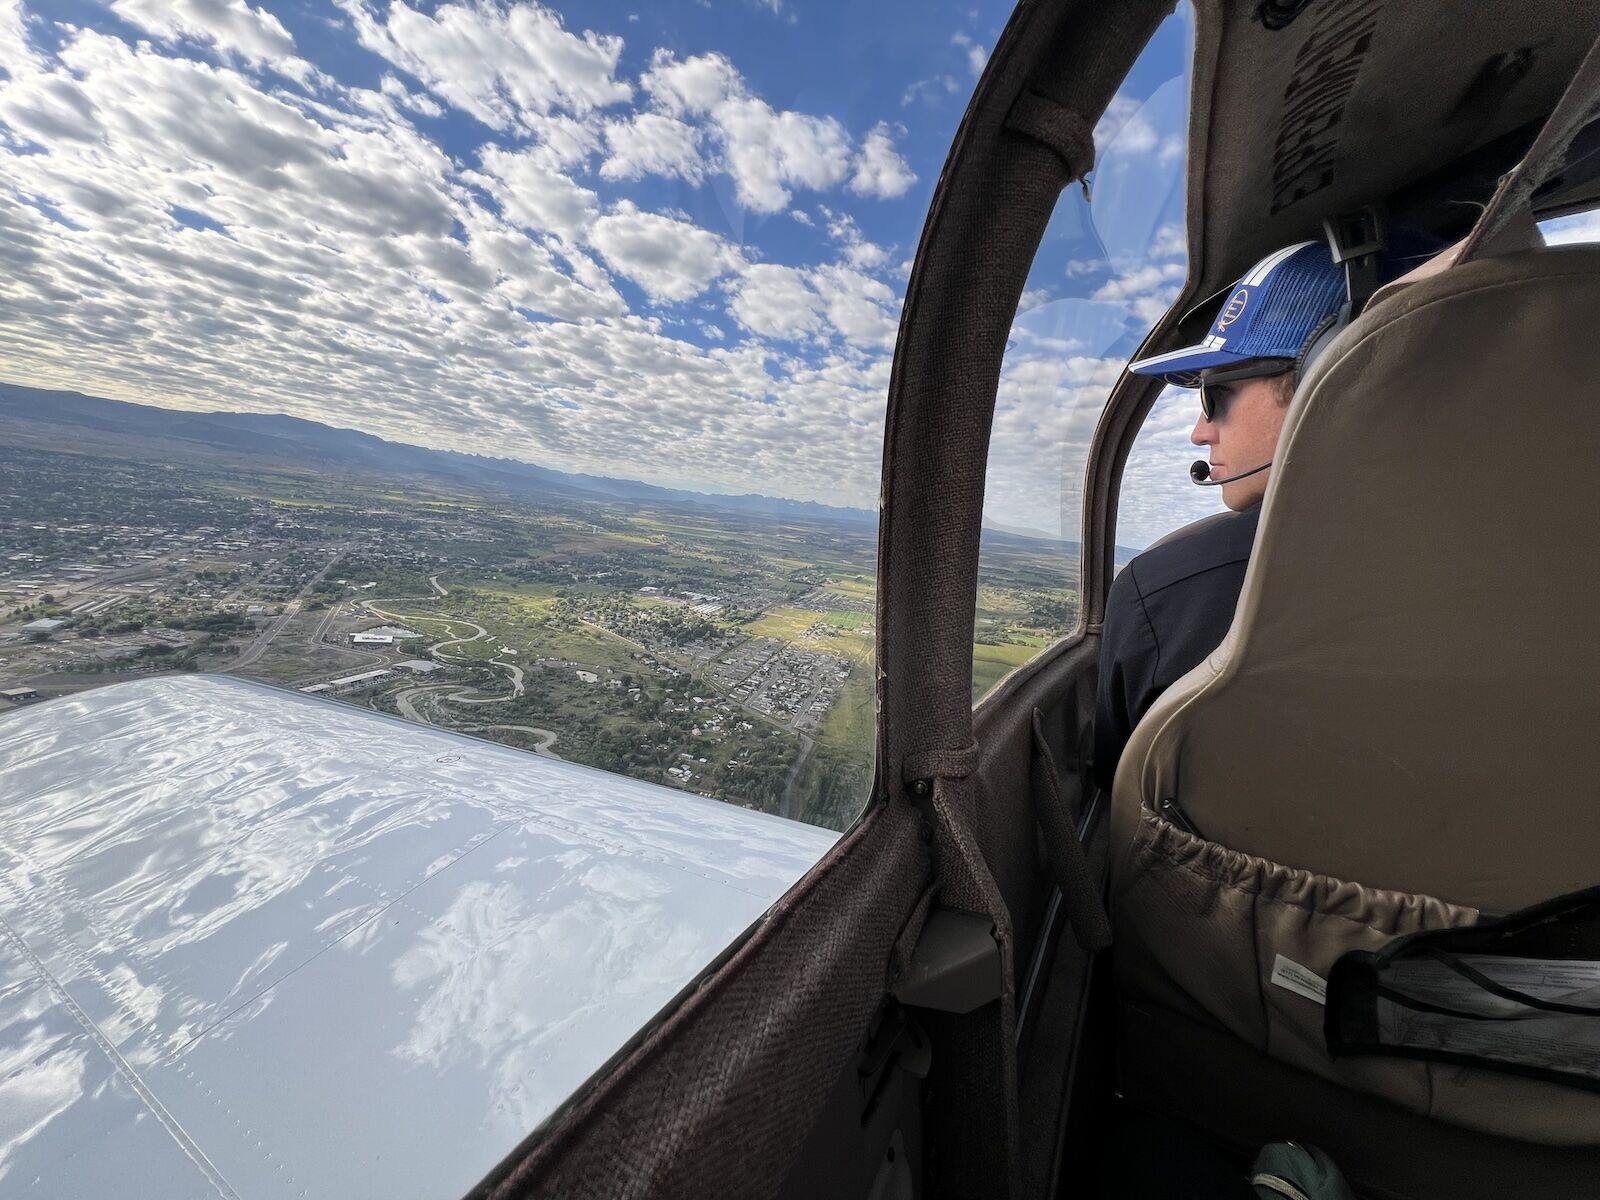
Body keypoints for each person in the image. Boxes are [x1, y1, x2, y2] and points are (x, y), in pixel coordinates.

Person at [1092, 239, 1348, 795]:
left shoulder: (1165, 594)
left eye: (1217, 394)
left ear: (1334, 374)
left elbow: (1114, 792)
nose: (1199, 430)